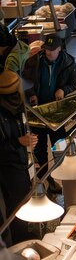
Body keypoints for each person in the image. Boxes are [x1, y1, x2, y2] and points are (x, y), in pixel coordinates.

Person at [23, 34, 76, 191]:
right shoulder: (33, 62)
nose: (49, 53)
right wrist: (31, 93)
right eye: (46, 50)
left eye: (52, 50)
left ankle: (63, 178)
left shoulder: (69, 62)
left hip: (57, 113)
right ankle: (47, 181)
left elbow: (75, 82)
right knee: (40, 148)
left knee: (59, 146)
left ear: (59, 49)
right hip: (38, 112)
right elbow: (26, 81)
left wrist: (63, 89)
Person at [0, 71, 37, 245]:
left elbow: (24, 128)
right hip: (7, 169)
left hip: (23, 164)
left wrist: (30, 143)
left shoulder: (18, 108)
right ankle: (20, 245)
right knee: (17, 208)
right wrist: (18, 142)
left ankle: (28, 238)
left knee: (26, 203)